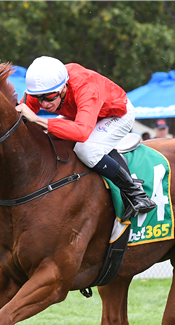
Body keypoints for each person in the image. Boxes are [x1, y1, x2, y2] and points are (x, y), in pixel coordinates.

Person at [15, 56, 155, 219]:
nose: (44, 104)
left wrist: (38, 119)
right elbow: (20, 115)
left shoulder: (85, 86)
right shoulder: (45, 88)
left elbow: (82, 133)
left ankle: (136, 194)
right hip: (82, 115)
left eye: (49, 97)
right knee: (49, 136)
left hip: (115, 115)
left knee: (86, 149)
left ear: (63, 88)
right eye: (40, 98)